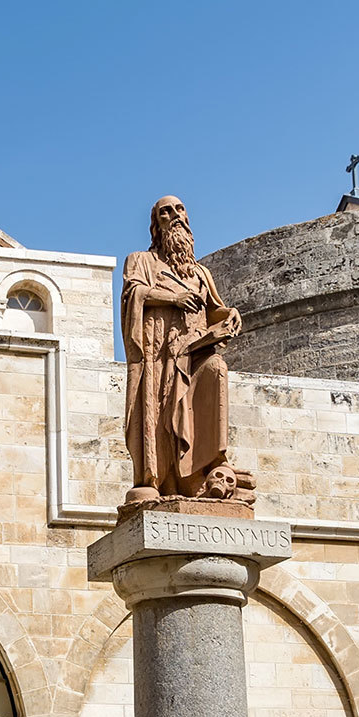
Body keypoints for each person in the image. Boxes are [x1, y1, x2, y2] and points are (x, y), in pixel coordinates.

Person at [119, 196, 254, 505]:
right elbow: (133, 294)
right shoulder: (142, 261)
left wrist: (230, 314)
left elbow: (214, 309)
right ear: (156, 224)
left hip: (195, 354)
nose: (175, 215)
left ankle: (208, 466)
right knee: (159, 412)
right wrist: (173, 300)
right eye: (166, 212)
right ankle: (158, 479)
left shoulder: (201, 273)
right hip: (159, 358)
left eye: (180, 209)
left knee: (217, 369)